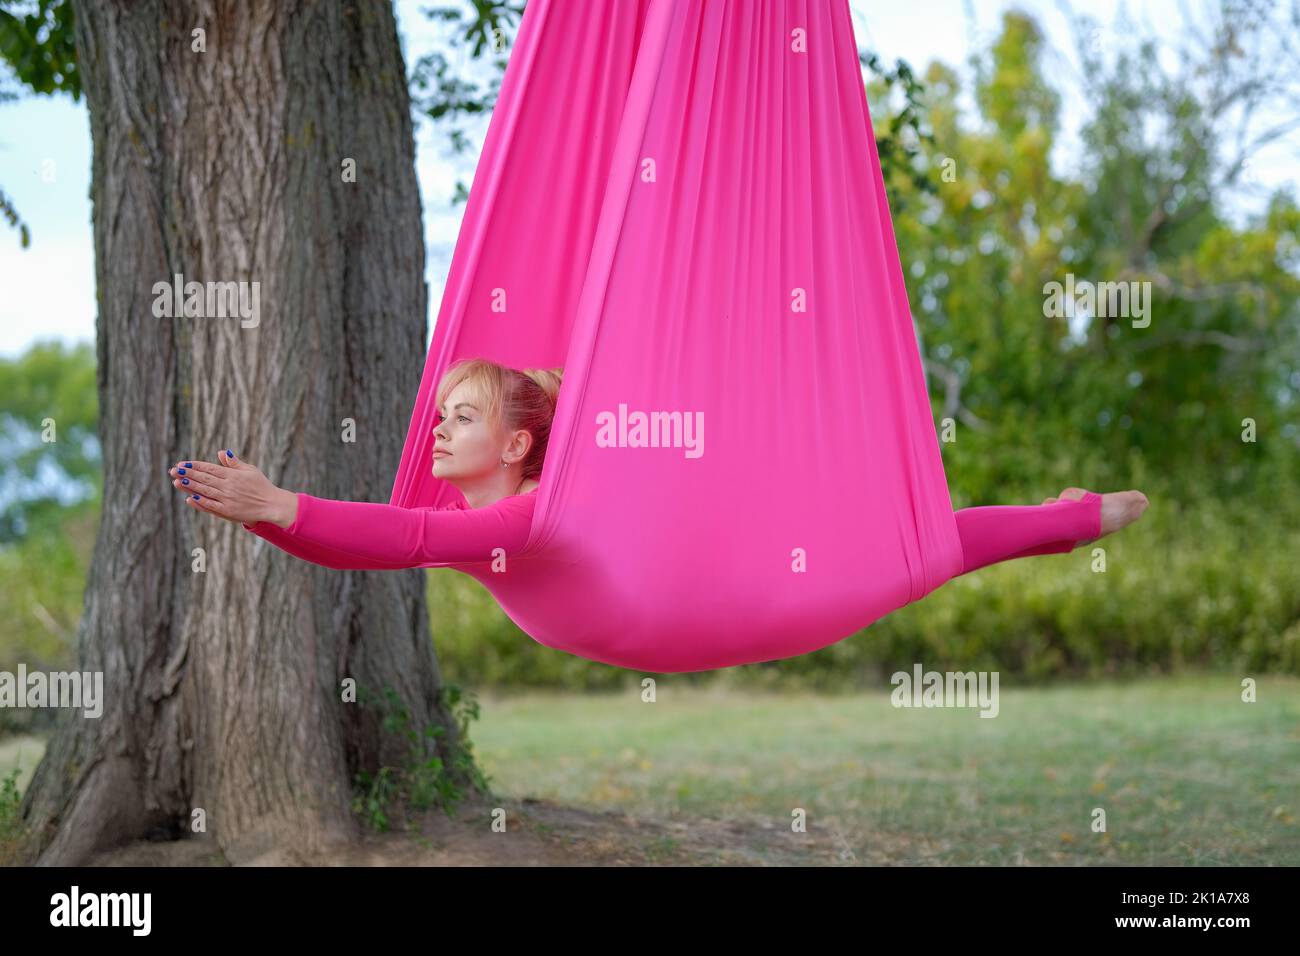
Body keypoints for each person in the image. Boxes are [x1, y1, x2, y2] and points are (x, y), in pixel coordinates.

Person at [165, 357, 1147, 573]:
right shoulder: (504, 518)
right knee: (925, 543)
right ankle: (1068, 515)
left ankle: (1078, 516)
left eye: (457, 418)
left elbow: (409, 536)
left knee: (923, 543)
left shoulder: (527, 516)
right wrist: (257, 509)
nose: (433, 433)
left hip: (767, 567)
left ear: (511, 446)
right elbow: (392, 538)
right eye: (439, 416)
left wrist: (279, 501)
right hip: (722, 551)